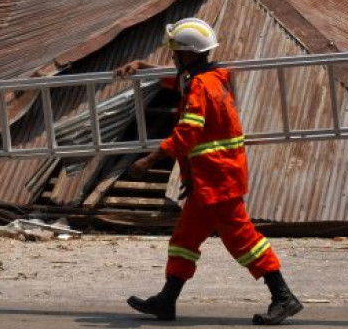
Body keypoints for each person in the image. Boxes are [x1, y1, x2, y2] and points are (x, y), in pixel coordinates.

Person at [114, 17, 302, 325]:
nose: (172, 58)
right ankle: (167, 300)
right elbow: (177, 82)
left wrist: (149, 160)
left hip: (219, 180)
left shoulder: (201, 85)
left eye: (175, 52)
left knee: (244, 240)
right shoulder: (209, 77)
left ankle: (283, 297)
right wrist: (144, 66)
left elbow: (188, 132)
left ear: (187, 54)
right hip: (209, 181)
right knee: (184, 240)